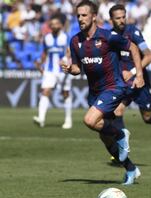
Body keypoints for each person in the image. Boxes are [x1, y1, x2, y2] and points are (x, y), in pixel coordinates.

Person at [61, 0, 144, 185]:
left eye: (84, 15)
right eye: (78, 15)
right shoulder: (75, 41)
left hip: (113, 86)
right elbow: (77, 68)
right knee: (105, 138)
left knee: (89, 120)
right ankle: (131, 169)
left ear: (93, 17)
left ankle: (121, 134)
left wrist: (139, 74)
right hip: (95, 92)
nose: (80, 18)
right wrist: (70, 69)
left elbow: (133, 47)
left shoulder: (108, 36)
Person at [107, 4, 151, 146]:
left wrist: (133, 72)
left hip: (140, 81)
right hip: (123, 83)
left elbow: (149, 56)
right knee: (118, 110)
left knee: (147, 117)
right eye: (118, 18)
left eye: (123, 17)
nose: (122, 20)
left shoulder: (133, 32)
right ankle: (122, 147)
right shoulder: (110, 36)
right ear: (111, 20)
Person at [33, 14, 72, 129]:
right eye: (52, 24)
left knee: (65, 93)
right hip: (49, 70)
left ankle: (68, 119)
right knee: (45, 91)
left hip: (63, 70)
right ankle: (41, 118)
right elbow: (45, 52)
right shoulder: (47, 38)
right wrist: (40, 63)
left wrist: (65, 59)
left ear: (61, 25)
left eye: (56, 23)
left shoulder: (66, 37)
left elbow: (69, 51)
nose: (54, 26)